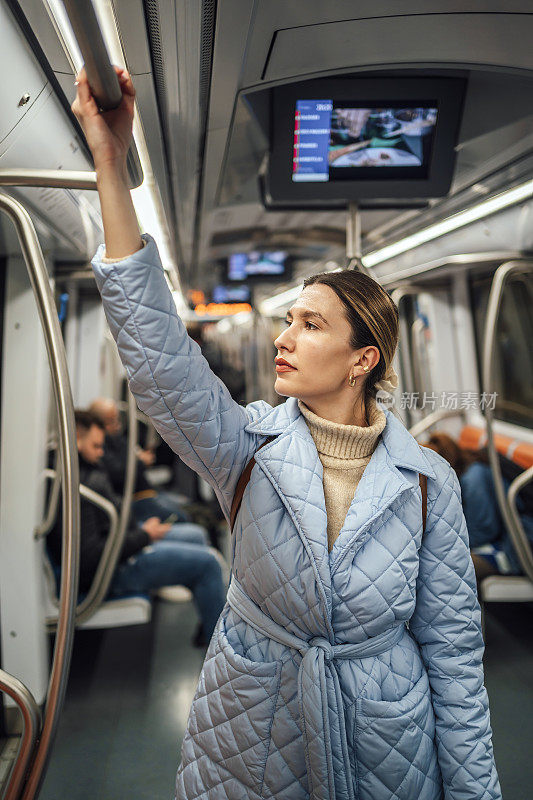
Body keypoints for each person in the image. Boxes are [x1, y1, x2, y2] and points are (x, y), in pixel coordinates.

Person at [73, 67, 502, 800]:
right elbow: (159, 361)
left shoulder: (428, 485)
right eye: (286, 321)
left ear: (362, 359)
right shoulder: (247, 447)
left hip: (386, 736)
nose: (285, 338)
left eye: (310, 325)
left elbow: (454, 660)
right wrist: (110, 167)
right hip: (254, 721)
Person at [48, 410, 226, 646]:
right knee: (208, 564)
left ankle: (209, 621)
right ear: (77, 442)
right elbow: (91, 556)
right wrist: (143, 536)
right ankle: (221, 648)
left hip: (125, 545)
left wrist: (141, 531)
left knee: (196, 535)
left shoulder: (87, 471)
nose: (101, 453)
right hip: (113, 571)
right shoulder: (79, 489)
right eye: (96, 446)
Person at [423, 431, 533, 582]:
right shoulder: (469, 467)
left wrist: (446, 541)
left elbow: (484, 531)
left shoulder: (474, 478)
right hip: (506, 537)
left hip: (514, 546)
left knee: (443, 571)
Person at [88, 396, 192, 526]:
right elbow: (118, 472)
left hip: (147, 491)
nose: (117, 425)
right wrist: (140, 462)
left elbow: (126, 456)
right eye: (111, 421)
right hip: (136, 498)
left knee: (186, 505)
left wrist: (139, 457)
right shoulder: (101, 445)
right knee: (184, 516)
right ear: (99, 423)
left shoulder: (115, 438)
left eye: (116, 420)